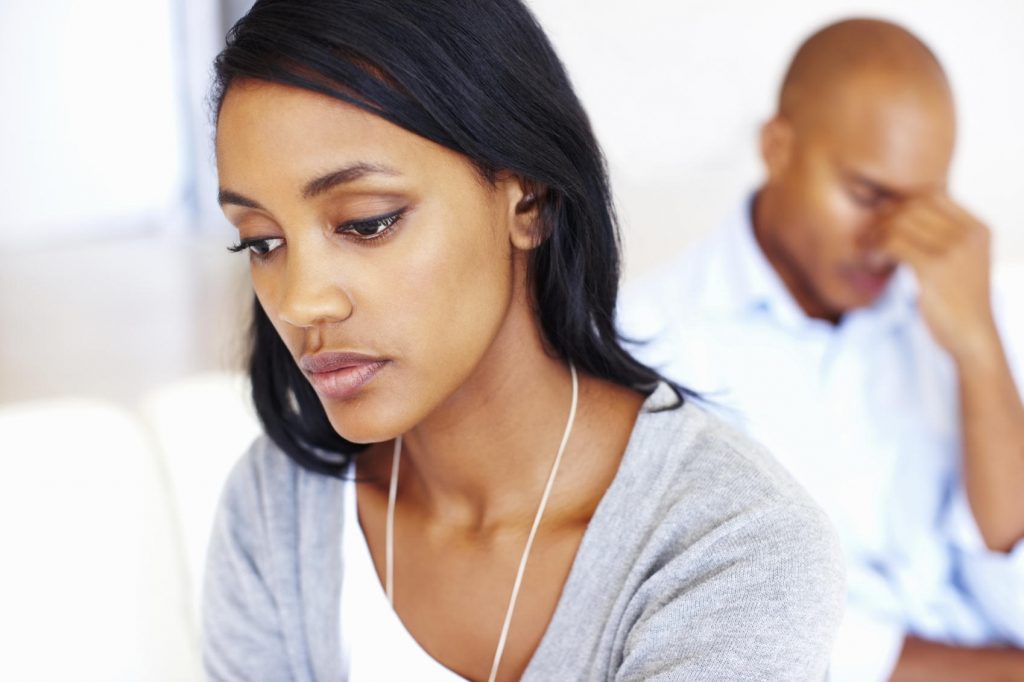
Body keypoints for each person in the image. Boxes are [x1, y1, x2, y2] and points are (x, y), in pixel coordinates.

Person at [201, 1, 844, 680]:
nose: (301, 301)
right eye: (261, 242)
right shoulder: (279, 509)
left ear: (527, 200)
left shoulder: (731, 548)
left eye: (367, 222)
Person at [620, 17, 1024, 682]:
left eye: (926, 203)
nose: (891, 238)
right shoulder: (646, 348)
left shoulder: (970, 304)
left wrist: (981, 355)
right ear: (777, 148)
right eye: (867, 195)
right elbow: (764, 629)